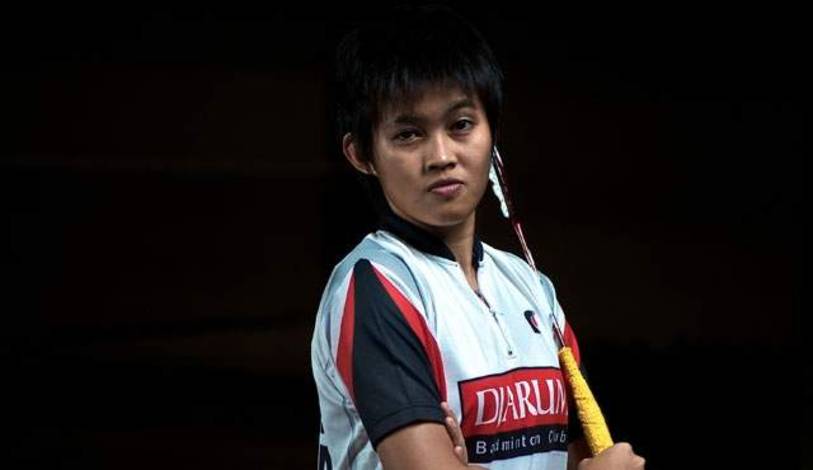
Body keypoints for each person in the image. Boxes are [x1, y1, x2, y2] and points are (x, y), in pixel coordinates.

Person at [311, 5, 645, 469]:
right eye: (408, 134)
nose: (441, 155)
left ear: (492, 132)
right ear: (361, 154)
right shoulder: (376, 287)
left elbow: (584, 456)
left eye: (461, 125)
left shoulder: (532, 288)